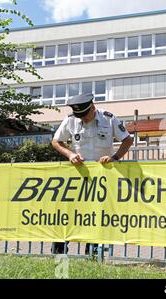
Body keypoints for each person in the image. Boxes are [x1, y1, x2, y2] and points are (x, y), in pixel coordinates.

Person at [51, 93, 134, 255]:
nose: (83, 119)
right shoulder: (71, 120)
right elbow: (56, 141)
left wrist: (114, 157)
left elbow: (127, 139)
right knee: (68, 214)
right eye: (79, 116)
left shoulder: (108, 118)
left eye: (85, 115)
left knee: (97, 215)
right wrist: (70, 154)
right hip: (77, 176)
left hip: (102, 177)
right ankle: (59, 254)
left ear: (93, 108)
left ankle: (93, 254)